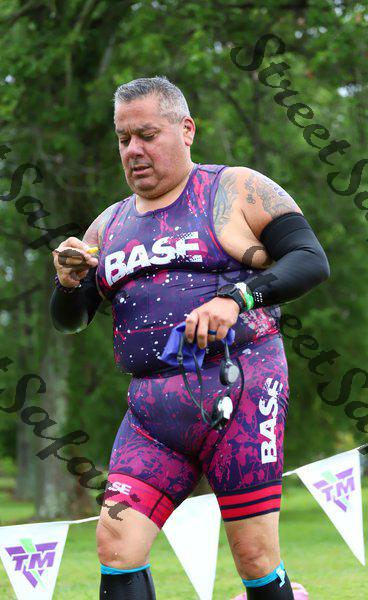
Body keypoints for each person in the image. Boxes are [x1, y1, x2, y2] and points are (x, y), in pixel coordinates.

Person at [50, 76, 329, 600]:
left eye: (146, 135)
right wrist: (67, 284)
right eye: (123, 139)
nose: (133, 150)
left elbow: (311, 260)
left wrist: (238, 297)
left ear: (186, 130)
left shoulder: (236, 189)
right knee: (116, 543)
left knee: (254, 554)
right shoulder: (106, 227)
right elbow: (71, 320)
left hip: (242, 391)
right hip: (152, 413)